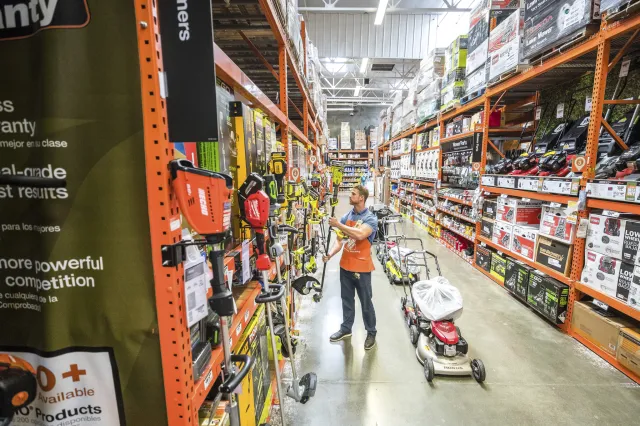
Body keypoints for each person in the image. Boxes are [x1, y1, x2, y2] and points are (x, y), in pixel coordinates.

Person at [323, 185, 378, 350]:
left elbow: (360, 234)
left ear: (361, 197)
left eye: (353, 194)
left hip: (362, 267)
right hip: (345, 266)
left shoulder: (371, 219)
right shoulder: (348, 216)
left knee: (366, 302)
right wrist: (330, 254)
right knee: (347, 300)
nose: (350, 195)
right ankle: (346, 328)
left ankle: (371, 332)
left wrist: (338, 225)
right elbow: (339, 241)